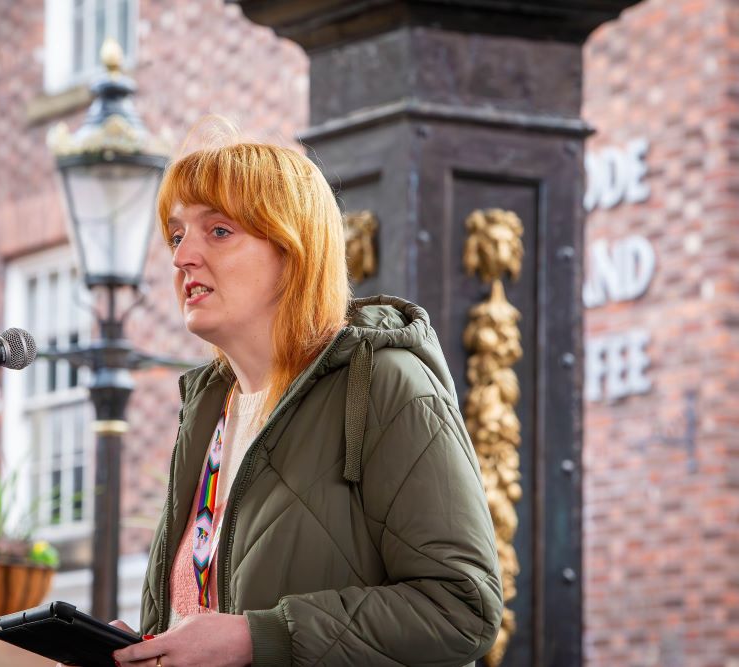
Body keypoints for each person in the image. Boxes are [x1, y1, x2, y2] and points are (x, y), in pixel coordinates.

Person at [95, 139, 503, 667]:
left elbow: (462, 608)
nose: (181, 257)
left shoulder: (386, 381)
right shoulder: (206, 415)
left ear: (293, 250)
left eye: (218, 231)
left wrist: (256, 638)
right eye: (176, 235)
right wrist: (148, 646)